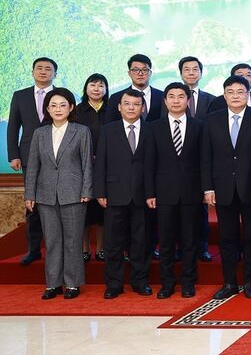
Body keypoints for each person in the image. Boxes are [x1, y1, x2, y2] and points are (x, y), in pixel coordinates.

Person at [201, 75, 251, 300]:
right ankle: (229, 282)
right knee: (227, 237)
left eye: (240, 92)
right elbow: (206, 156)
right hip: (222, 187)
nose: (235, 96)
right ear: (224, 95)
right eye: (230, 92)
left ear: (247, 94)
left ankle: (250, 282)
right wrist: (208, 188)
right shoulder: (211, 120)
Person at [23, 88, 92, 300]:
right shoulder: (40, 133)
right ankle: (53, 284)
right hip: (45, 195)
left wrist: (86, 190)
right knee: (52, 241)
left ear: (71, 107)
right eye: (53, 105)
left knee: (72, 241)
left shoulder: (81, 131)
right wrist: (30, 194)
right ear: (47, 109)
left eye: (63, 105)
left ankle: (72, 284)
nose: (58, 109)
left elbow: (87, 163)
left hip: (74, 194)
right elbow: (33, 166)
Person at [144, 83, 204, 299]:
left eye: (181, 96)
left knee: (190, 241)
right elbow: (149, 163)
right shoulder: (153, 127)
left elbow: (204, 161)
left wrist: (205, 189)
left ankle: (188, 282)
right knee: (166, 242)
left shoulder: (199, 126)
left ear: (188, 100)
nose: (176, 100)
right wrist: (150, 192)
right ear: (165, 100)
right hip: (163, 193)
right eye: (171, 96)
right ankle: (167, 283)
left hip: (191, 192)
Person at [94, 89, 153, 298]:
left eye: (136, 104)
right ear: (119, 107)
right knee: (113, 242)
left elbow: (154, 165)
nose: (131, 108)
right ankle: (114, 284)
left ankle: (140, 281)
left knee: (141, 241)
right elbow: (100, 162)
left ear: (142, 108)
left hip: (142, 195)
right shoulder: (107, 130)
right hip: (114, 193)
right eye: (127, 104)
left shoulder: (151, 130)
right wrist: (99, 190)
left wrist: (152, 192)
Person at [7, 56, 58, 265]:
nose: (43, 71)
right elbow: (13, 126)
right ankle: (34, 249)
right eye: (39, 68)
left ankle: (58, 249)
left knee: (57, 201)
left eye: (48, 69)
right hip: (28, 155)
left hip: (57, 156)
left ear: (55, 73)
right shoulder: (20, 96)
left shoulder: (61, 95)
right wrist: (13, 154)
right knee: (33, 203)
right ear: (33, 72)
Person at [179, 56, 215, 263]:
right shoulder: (171, 98)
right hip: (176, 164)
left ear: (201, 73)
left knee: (201, 210)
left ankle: (202, 248)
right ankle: (179, 248)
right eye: (187, 69)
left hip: (202, 161)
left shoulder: (212, 100)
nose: (191, 73)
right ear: (181, 73)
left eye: (195, 69)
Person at [74, 73, 109, 262]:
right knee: (85, 211)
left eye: (101, 85)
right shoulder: (77, 111)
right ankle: (84, 248)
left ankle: (102, 248)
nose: (97, 89)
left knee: (103, 211)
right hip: (81, 168)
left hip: (108, 167)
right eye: (93, 85)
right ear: (86, 88)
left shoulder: (112, 109)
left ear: (106, 89)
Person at [107, 54, 164, 123]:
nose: (140, 74)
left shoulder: (163, 96)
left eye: (144, 70)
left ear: (150, 73)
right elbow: (110, 126)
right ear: (129, 73)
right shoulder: (115, 98)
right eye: (136, 70)